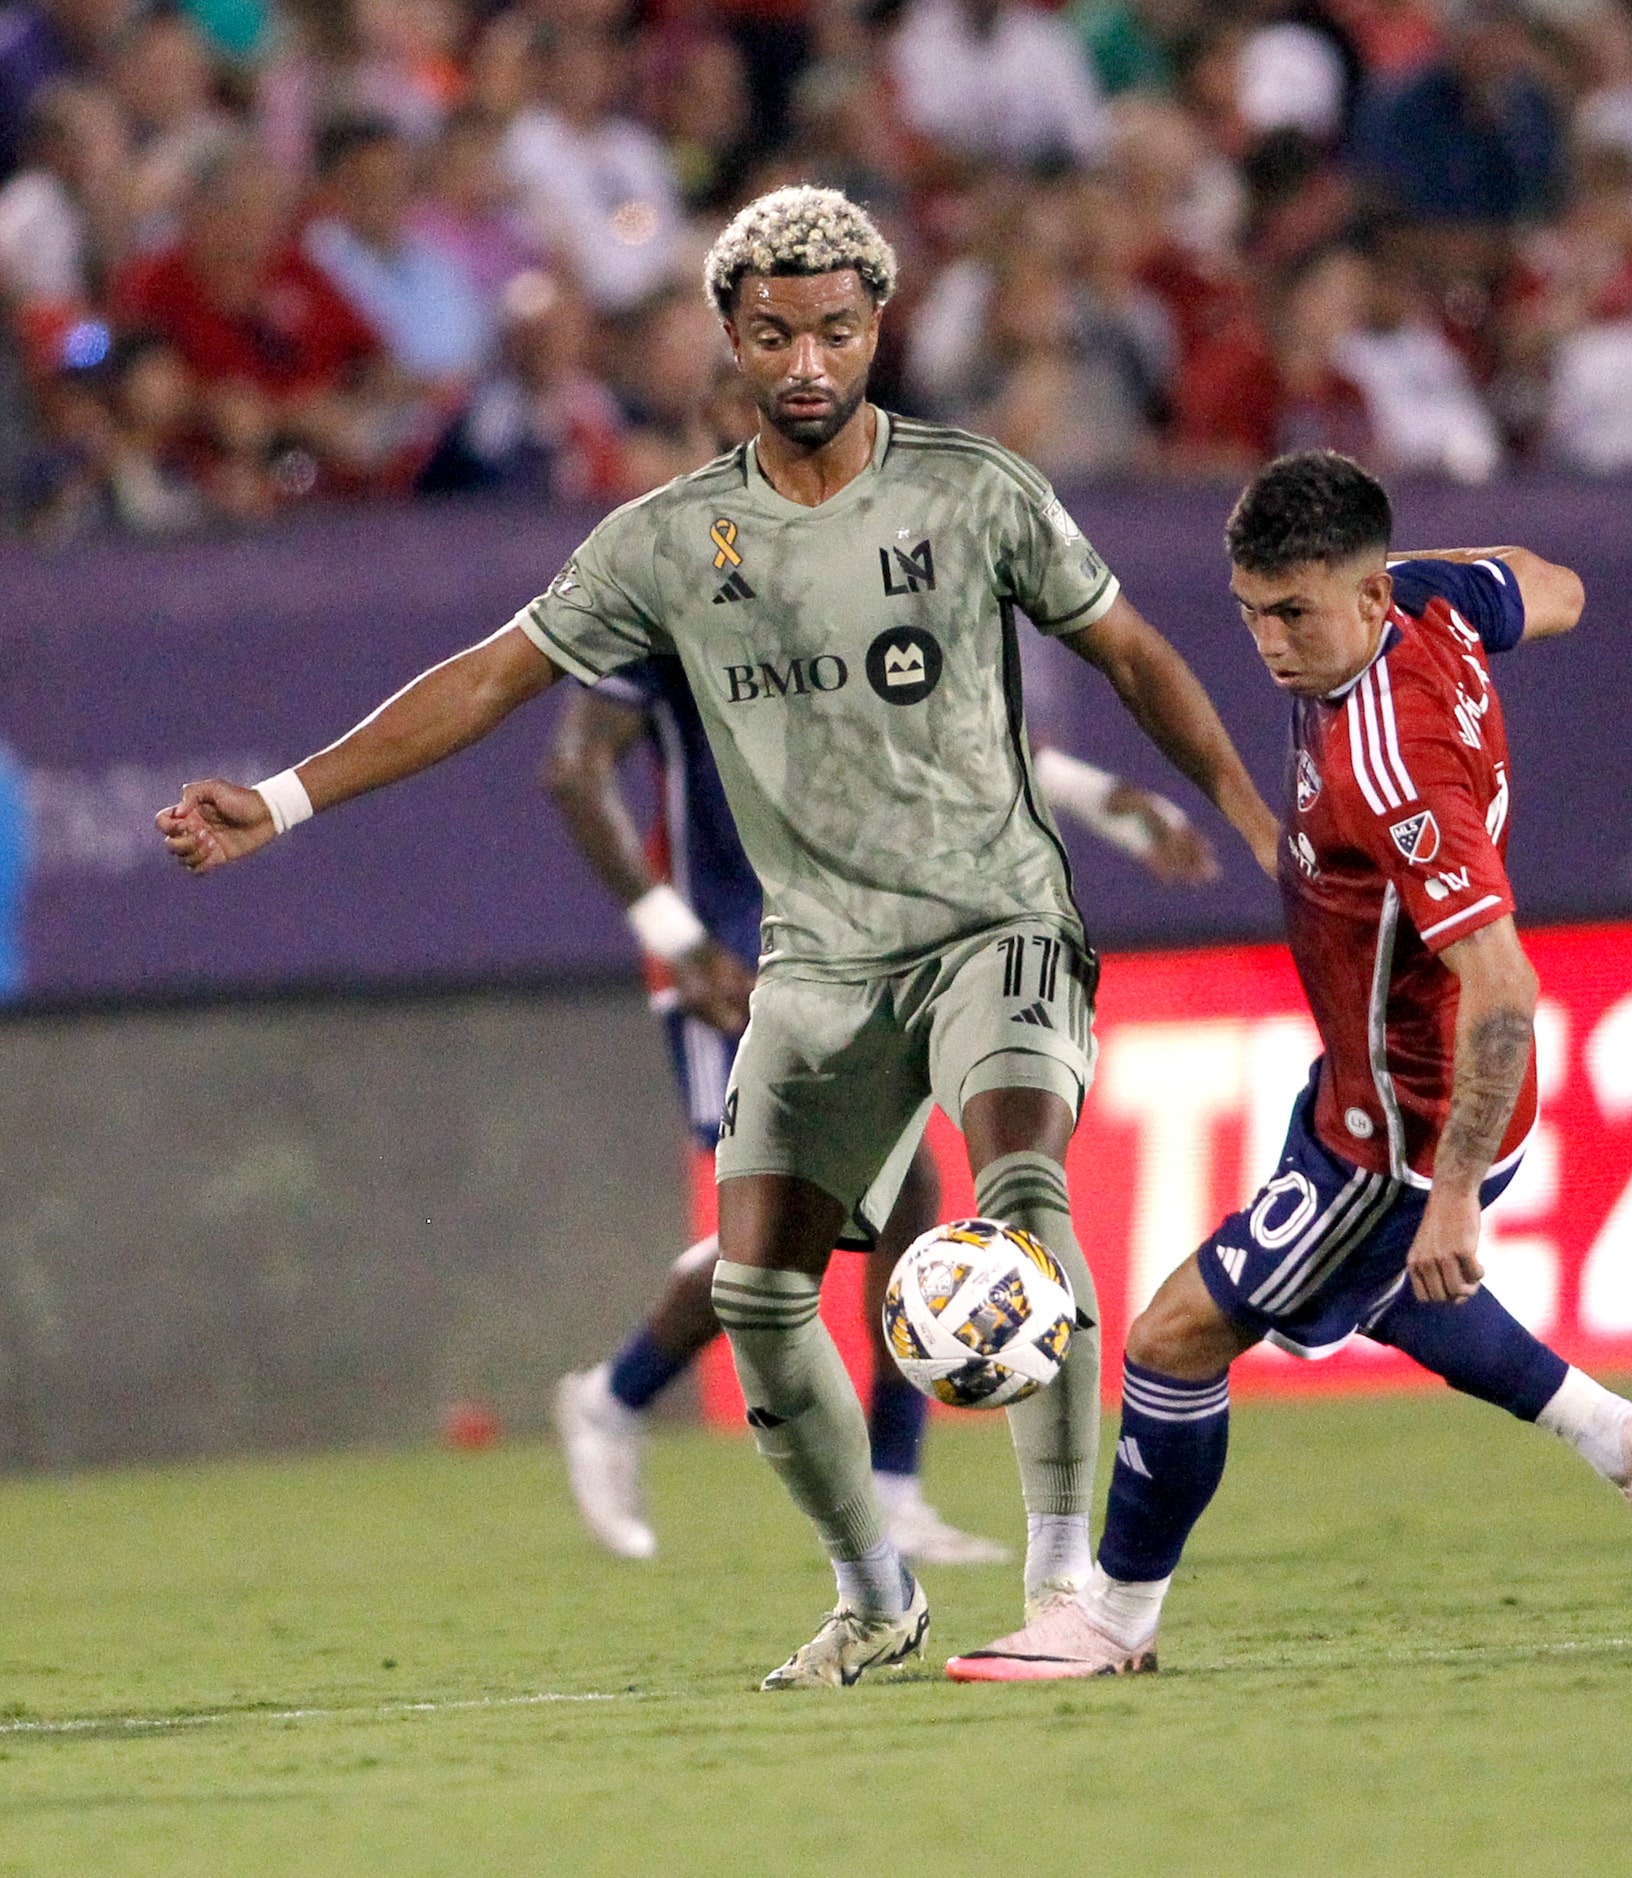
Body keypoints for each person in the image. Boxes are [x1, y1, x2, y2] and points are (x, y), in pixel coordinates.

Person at [156, 183, 1279, 1691]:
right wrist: (282, 799)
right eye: (772, 334)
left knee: (1015, 1188)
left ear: (877, 327)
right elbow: (490, 682)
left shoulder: (975, 489)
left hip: (995, 919)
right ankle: (874, 1593)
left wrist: (1249, 819)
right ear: (731, 343)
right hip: (816, 959)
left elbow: (1130, 652)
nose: (805, 359)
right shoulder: (670, 541)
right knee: (757, 1292)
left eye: (832, 328)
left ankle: (1070, 1580)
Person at [946, 450, 1632, 1681]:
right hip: (1369, 1090)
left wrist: (1454, 1191)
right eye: (1250, 610)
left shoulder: (1395, 765)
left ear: (1363, 599)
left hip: (1405, 1129)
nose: (1268, 642)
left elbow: (1507, 986)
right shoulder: (1428, 596)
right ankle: (1628, 1444)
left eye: (1294, 613)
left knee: (1174, 1338)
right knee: (1382, 1297)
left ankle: (1111, 1619)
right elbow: (1550, 583)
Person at [545, 649, 1217, 1568]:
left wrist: (1091, 794)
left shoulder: (840, 565)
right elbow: (573, 771)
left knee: (894, 1197)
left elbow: (944, 729)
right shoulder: (668, 592)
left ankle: (887, 1489)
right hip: (730, 965)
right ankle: (616, 1401)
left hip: (850, 942)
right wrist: (678, 940)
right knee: (800, 1223)